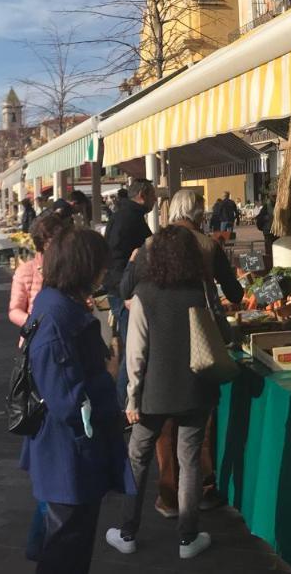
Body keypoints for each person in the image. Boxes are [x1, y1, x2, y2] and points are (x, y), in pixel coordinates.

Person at [21, 229, 131, 573]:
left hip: (70, 451)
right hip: (68, 453)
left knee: (71, 540)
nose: (104, 273)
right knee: (67, 544)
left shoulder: (58, 304)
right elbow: (67, 400)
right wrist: (109, 375)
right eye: (100, 266)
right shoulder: (57, 316)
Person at [106, 225, 215, 560]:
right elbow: (216, 330)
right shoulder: (200, 289)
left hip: (152, 394)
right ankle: (188, 537)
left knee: (137, 458)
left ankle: (127, 531)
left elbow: (136, 351)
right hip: (196, 387)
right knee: (189, 460)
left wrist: (132, 396)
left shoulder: (144, 293)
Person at [104, 179, 155, 407]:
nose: (155, 201)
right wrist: (125, 291)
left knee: (130, 348)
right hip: (125, 291)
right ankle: (122, 404)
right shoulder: (129, 218)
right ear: (143, 194)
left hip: (122, 287)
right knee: (131, 349)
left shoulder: (123, 214)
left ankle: (123, 401)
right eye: (153, 196)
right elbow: (117, 257)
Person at [9, 212, 73, 330]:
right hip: (38, 337)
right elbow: (14, 310)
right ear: (41, 242)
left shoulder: (71, 266)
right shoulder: (25, 271)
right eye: (51, 240)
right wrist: (33, 323)